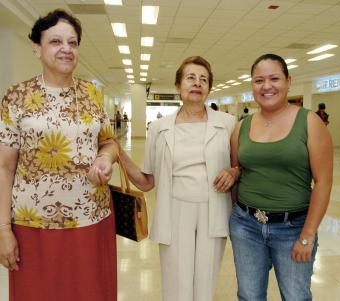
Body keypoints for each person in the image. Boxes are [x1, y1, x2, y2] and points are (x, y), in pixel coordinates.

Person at [0, 9, 118, 301]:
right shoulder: (17, 97)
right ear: (37, 48)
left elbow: (109, 142)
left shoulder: (92, 94)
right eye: (55, 41)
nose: (66, 48)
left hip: (91, 218)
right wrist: (3, 228)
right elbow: (4, 168)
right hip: (33, 223)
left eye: (73, 42)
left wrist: (105, 158)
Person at [117, 56, 238, 301]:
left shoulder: (228, 124)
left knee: (206, 281)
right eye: (191, 78)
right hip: (174, 209)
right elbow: (147, 180)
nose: (197, 83)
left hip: (213, 208)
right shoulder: (159, 128)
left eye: (204, 79)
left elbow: (239, 166)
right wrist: (119, 153)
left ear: (209, 88)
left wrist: (234, 172)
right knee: (176, 282)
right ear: (178, 86)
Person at [229, 53, 333, 300]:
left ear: (288, 81)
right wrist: (238, 212)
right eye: (258, 80)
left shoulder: (309, 122)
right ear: (252, 86)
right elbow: (237, 170)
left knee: (296, 296)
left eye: (274, 78)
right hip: (246, 226)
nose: (266, 86)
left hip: (293, 228)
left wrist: (307, 235)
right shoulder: (241, 126)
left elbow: (324, 182)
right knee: (249, 295)